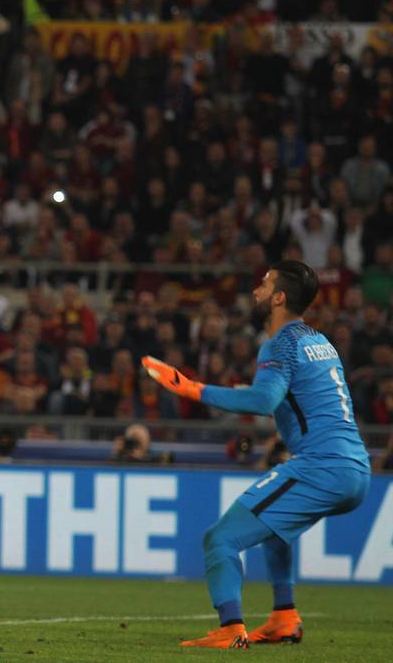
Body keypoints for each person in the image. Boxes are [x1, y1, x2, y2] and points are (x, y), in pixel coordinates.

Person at [143, 260, 370, 649]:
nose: (256, 290)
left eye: (264, 285)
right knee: (273, 530)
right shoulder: (319, 341)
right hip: (354, 468)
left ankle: (231, 629)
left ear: (280, 297)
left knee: (219, 539)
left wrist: (193, 389)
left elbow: (265, 401)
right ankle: (284, 616)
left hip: (321, 467)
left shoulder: (280, 343)